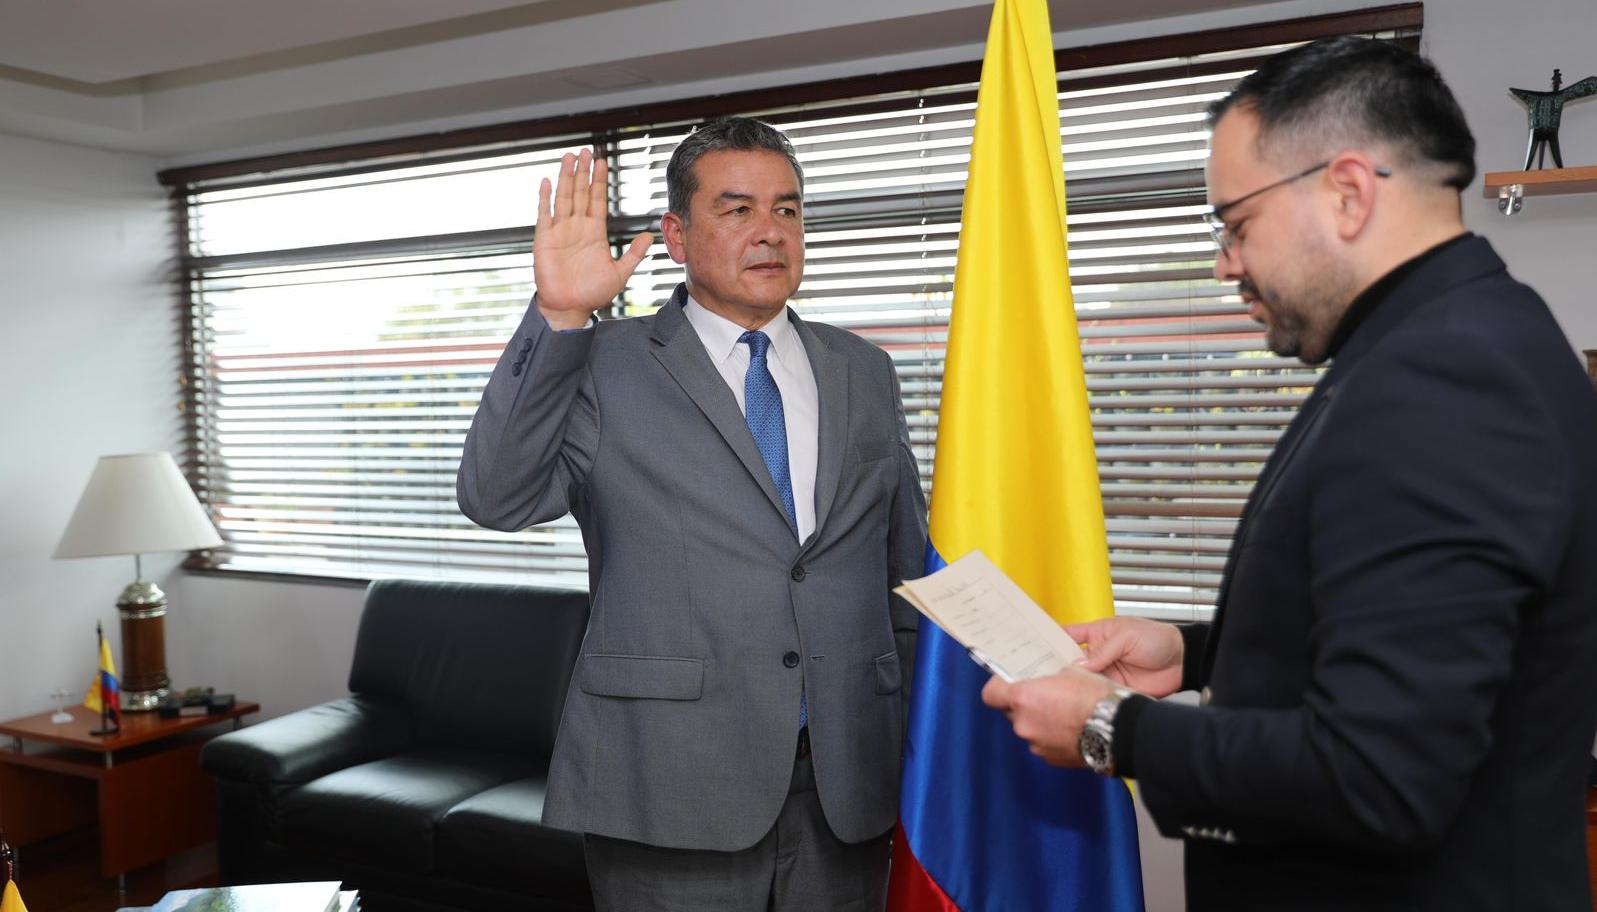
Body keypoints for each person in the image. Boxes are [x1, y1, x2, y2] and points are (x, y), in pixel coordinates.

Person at [980, 36, 1597, 911]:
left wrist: (1110, 728)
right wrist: (1195, 652)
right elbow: (1413, 636)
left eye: (1235, 225)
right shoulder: (1460, 334)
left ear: (1347, 192)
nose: (1224, 263)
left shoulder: (1444, 377)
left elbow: (1378, 777)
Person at [457, 117, 927, 911]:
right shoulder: (603, 362)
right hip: (668, 784)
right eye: (737, 209)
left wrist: (926, 740)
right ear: (675, 235)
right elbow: (495, 497)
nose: (769, 232)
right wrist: (560, 315)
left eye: (786, 209)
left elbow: (903, 573)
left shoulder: (865, 369)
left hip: (848, 784)